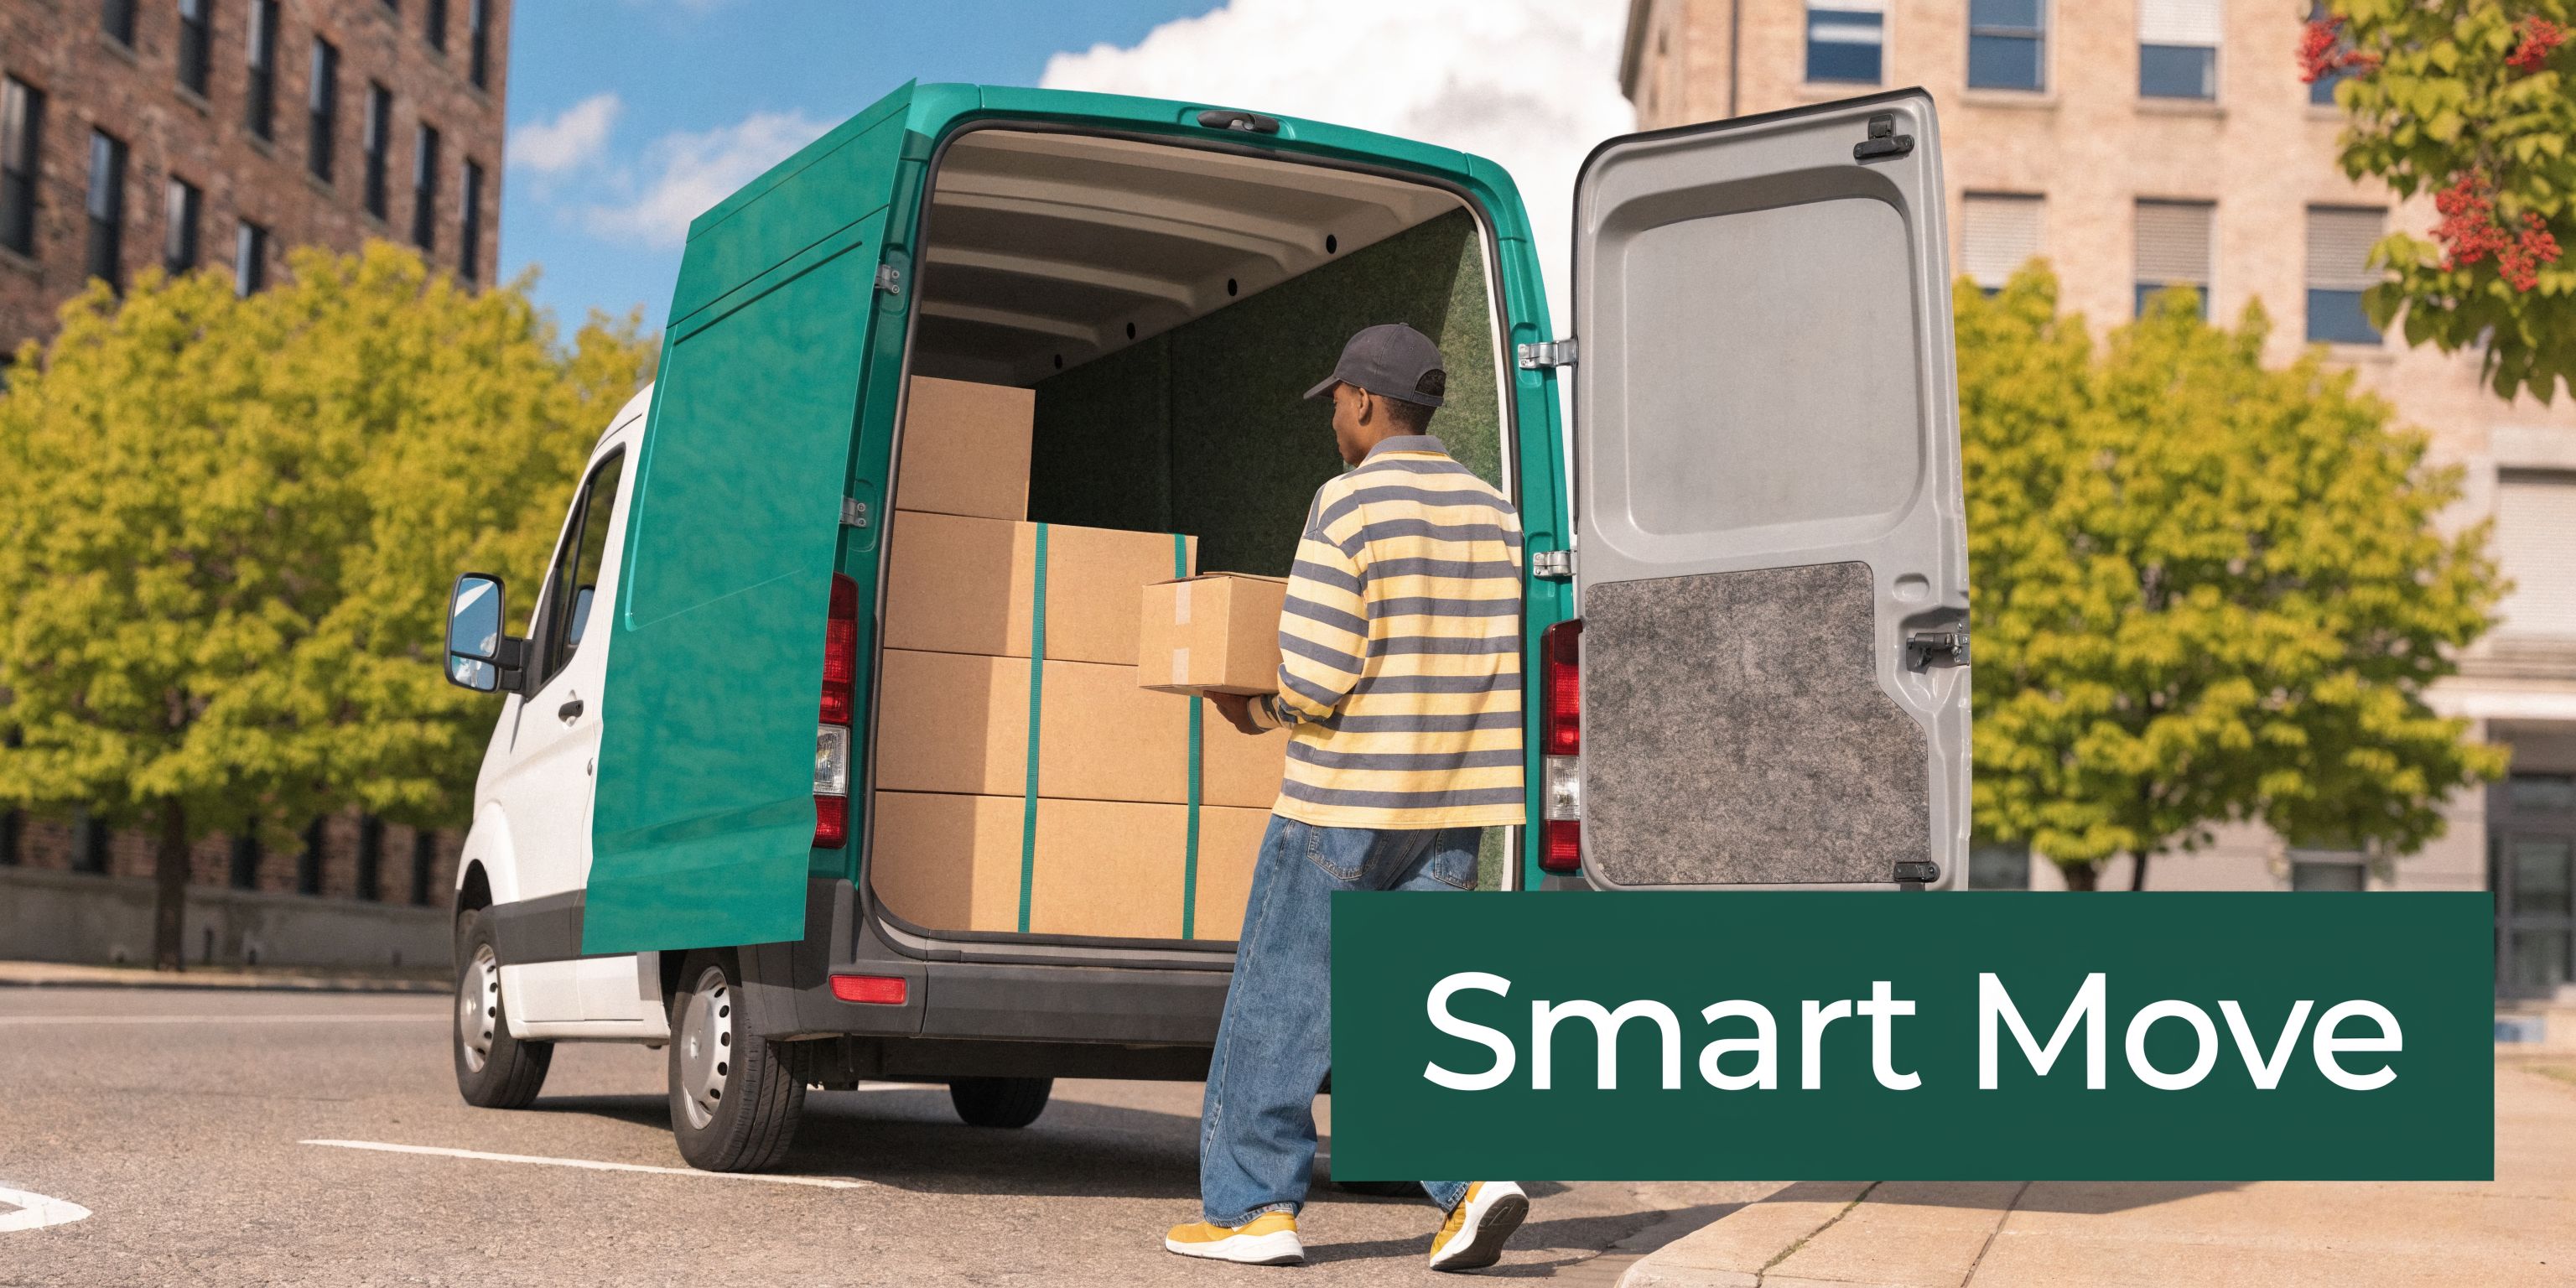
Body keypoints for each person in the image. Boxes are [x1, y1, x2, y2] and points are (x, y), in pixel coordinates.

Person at [1162, 324, 1529, 1272]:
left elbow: (1319, 674)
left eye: (1336, 400)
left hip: (1344, 801)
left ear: (1366, 403)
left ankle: (1251, 1211)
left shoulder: (1349, 503)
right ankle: (1472, 1182)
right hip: (1453, 807)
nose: (1333, 415)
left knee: (1282, 999)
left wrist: (1250, 704)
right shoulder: (1497, 513)